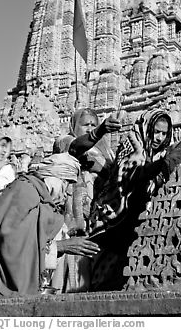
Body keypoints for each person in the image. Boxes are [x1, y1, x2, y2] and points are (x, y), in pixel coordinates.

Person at [0, 152, 100, 297]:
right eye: (65, 183)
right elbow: (11, 242)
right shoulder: (24, 190)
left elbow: (30, 235)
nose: (66, 192)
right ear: (53, 177)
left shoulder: (39, 197)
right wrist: (60, 246)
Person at [90, 108, 173, 290]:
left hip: (138, 221)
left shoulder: (161, 154)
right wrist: (160, 166)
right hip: (113, 219)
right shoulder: (132, 145)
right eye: (156, 132)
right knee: (105, 277)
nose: (159, 138)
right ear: (147, 128)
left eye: (164, 134)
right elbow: (129, 176)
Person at [52, 108, 121, 292]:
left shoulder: (107, 152)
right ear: (74, 126)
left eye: (93, 124)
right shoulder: (65, 141)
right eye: (86, 125)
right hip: (73, 228)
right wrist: (99, 131)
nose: (90, 127)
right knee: (72, 283)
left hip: (101, 224)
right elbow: (75, 148)